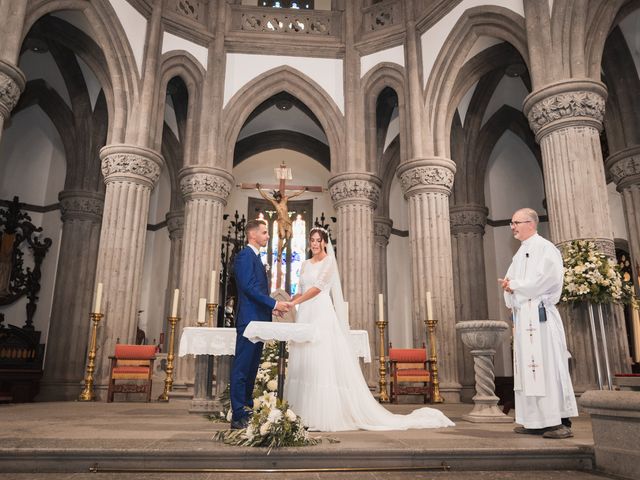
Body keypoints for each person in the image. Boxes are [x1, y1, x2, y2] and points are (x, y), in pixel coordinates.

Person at [284, 227, 454, 432]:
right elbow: (300, 290)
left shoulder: (329, 262)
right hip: (305, 314)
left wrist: (297, 302)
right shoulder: (303, 264)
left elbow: (318, 288)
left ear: (325, 243)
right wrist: (288, 302)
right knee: (305, 359)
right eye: (312, 240)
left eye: (318, 240)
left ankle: (321, 415)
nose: (314, 243)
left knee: (320, 360)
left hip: (320, 314)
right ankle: (301, 412)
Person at [499, 208, 578, 439]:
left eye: (516, 222)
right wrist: (508, 288)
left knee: (549, 367)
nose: (512, 227)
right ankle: (535, 421)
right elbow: (511, 281)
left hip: (541, 317)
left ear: (531, 224)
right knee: (528, 370)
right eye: (511, 223)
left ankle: (560, 421)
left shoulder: (546, 249)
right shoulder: (520, 253)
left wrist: (516, 286)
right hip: (525, 318)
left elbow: (547, 280)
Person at [230, 219, 291, 430]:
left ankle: (246, 409)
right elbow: (248, 288)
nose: (267, 236)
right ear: (252, 235)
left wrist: (271, 309)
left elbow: (256, 291)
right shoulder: (245, 256)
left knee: (252, 368)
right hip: (249, 321)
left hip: (258, 319)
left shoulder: (256, 257)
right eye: (264, 233)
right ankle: (238, 414)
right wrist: (274, 302)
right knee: (241, 369)